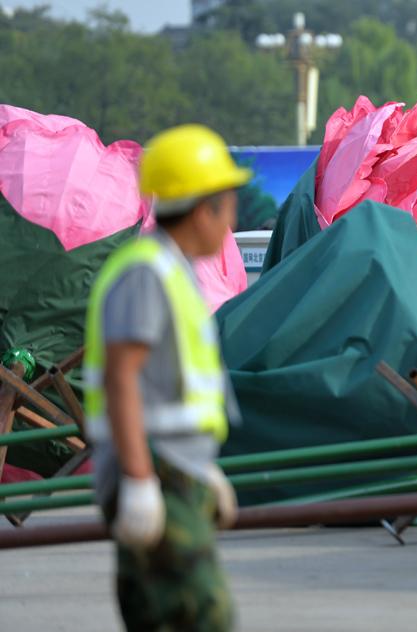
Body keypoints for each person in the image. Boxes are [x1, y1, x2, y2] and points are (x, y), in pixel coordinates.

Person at [84, 124, 250, 631]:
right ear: (206, 210)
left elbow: (171, 389)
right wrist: (138, 481)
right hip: (155, 470)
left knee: (171, 617)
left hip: (177, 471)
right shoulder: (147, 273)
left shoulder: (173, 271)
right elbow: (121, 380)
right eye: (229, 202)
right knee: (201, 617)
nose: (232, 218)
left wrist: (203, 469)